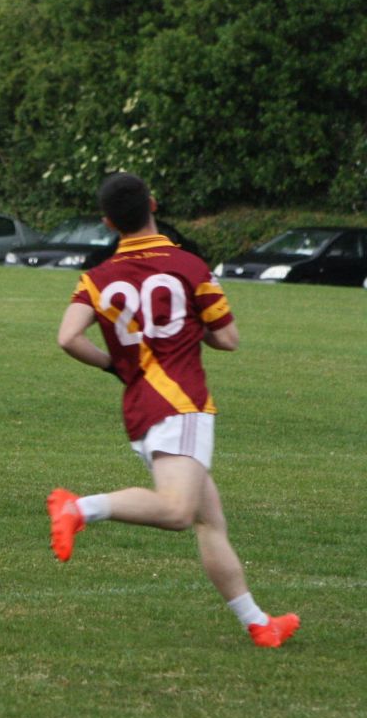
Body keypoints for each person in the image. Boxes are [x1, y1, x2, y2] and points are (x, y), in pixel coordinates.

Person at [49, 171, 299, 648]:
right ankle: (79, 507)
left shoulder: (97, 278)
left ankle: (258, 622)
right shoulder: (188, 265)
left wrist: (115, 365)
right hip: (181, 403)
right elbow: (227, 339)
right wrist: (189, 327)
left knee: (210, 520)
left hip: (141, 407)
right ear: (154, 204)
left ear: (107, 222)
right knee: (180, 511)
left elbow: (67, 337)